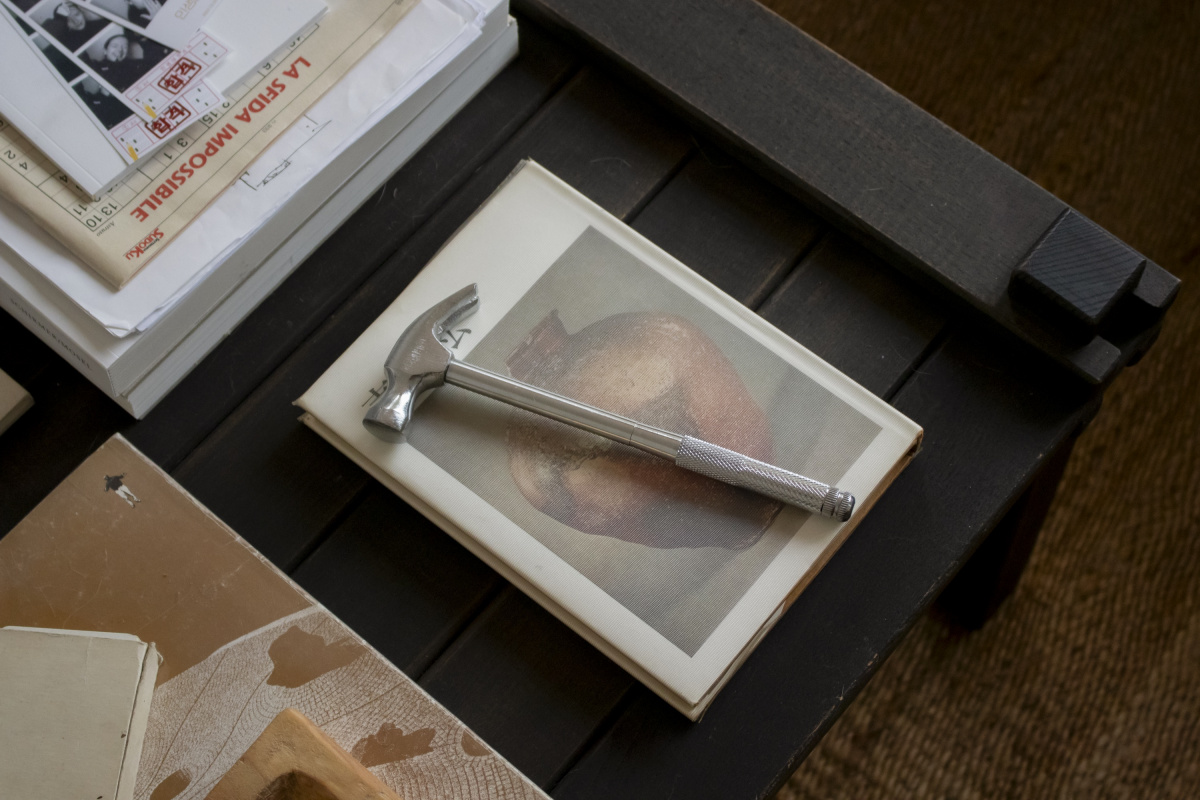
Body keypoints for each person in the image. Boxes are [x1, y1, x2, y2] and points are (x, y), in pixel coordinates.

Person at [40, 2, 107, 51]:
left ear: (82, 12)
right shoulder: (69, 41)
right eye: (68, 20)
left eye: (77, 14)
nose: (75, 21)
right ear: (64, 24)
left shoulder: (97, 23)